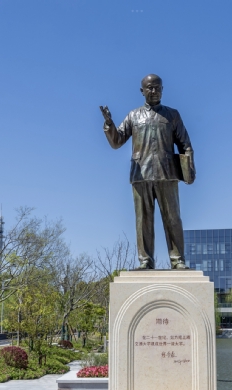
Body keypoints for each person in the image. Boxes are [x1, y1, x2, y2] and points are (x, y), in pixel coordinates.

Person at [100, 74, 194, 270]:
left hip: (167, 173)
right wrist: (109, 124)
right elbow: (117, 141)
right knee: (143, 220)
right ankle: (146, 260)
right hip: (140, 174)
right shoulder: (133, 115)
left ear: (162, 89)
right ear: (142, 91)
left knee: (173, 218)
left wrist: (189, 169)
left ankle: (177, 259)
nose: (154, 91)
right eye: (149, 88)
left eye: (157, 87)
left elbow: (185, 144)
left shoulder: (172, 115)